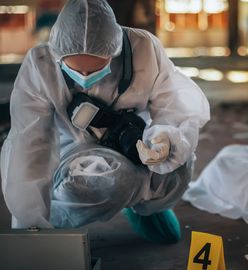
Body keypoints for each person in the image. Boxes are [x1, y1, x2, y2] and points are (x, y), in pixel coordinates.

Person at [0, 0, 210, 244]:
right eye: (78, 71)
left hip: (138, 142)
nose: (86, 78)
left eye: (96, 67)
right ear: (59, 54)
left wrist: (165, 136)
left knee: (178, 165)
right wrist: (30, 226)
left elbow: (174, 101)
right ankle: (56, 221)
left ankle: (148, 208)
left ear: (114, 51)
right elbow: (29, 144)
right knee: (100, 182)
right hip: (76, 148)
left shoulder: (143, 49)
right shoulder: (41, 67)